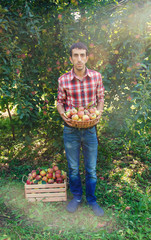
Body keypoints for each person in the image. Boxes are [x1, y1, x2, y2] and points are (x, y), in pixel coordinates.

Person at [57, 42, 105, 216]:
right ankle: (77, 197)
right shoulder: (63, 80)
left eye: (82, 55)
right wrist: (64, 115)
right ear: (71, 58)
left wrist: (97, 113)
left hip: (90, 128)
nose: (79, 59)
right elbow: (60, 103)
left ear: (86, 57)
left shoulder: (96, 76)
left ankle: (92, 200)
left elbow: (100, 98)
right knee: (74, 167)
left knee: (91, 168)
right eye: (75, 55)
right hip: (70, 129)